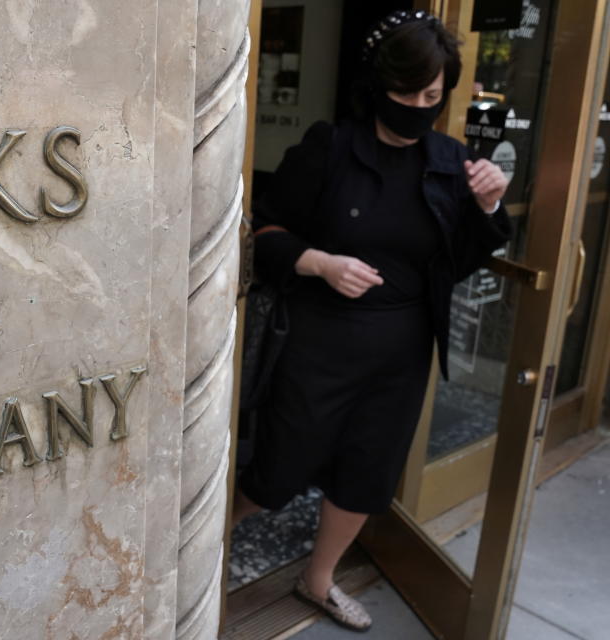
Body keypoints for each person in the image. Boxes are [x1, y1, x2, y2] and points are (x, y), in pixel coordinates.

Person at [232, 10, 511, 631]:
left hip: (402, 349)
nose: (418, 105)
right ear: (377, 85)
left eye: (432, 96)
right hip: (320, 341)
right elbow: (265, 230)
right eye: (406, 92)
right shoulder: (330, 148)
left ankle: (318, 579)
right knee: (281, 459)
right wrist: (318, 262)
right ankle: (199, 548)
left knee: (368, 470)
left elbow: (453, 265)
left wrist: (488, 206)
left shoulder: (449, 162)